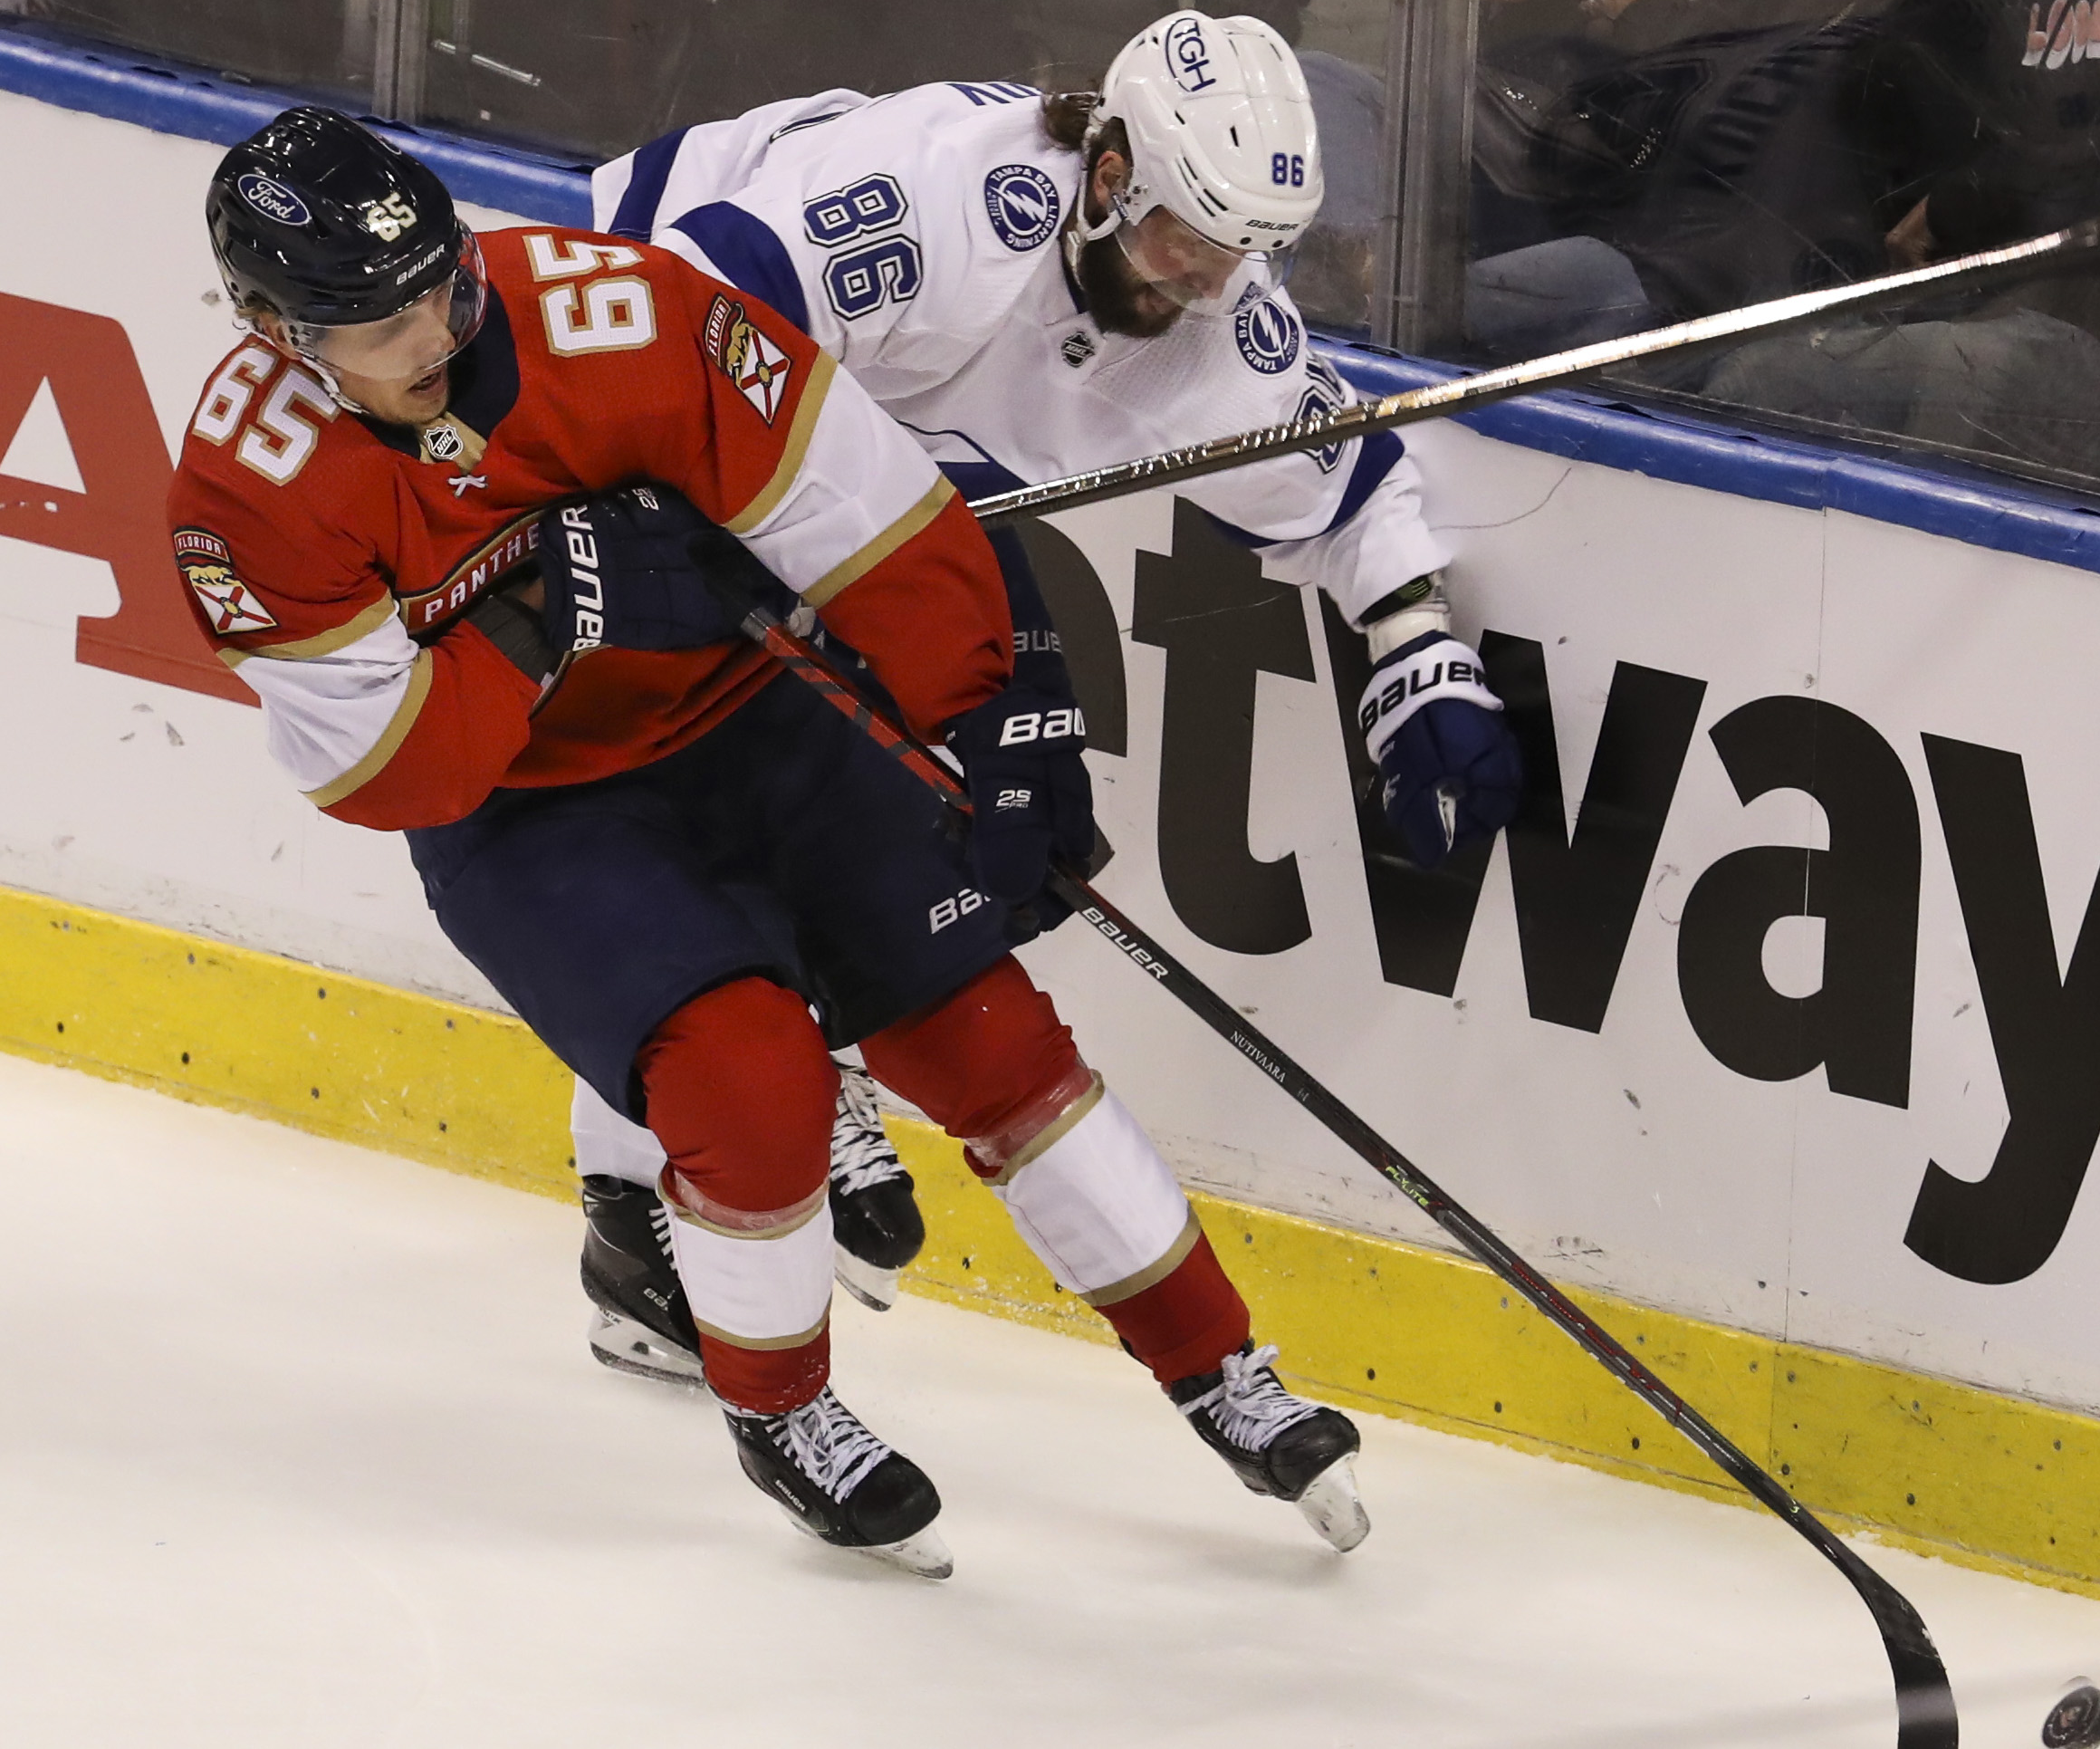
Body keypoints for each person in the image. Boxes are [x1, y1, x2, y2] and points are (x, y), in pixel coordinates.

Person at [168, 105, 1368, 1577]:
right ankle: (785, 1411)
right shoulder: (247, 493)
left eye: (442, 281)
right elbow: (387, 764)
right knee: (753, 1081)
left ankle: (1223, 1370)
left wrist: (977, 712)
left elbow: (860, 504)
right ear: (277, 327)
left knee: (993, 1039)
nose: (429, 325)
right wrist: (556, 617)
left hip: (754, 719)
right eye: (375, 316)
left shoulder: (616, 318)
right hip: (538, 815)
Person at [581, 8, 1525, 1345]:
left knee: (962, 772)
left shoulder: (1215, 320)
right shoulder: (928, 203)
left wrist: (1414, 645)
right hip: (673, 328)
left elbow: (1351, 486)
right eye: (1183, 239)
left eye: (1238, 256)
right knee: (720, 763)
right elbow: (689, 313)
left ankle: (673, 1174)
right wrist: (711, 529)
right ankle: (694, 1151)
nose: (1204, 283)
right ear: (1108, 169)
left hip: (887, 454)